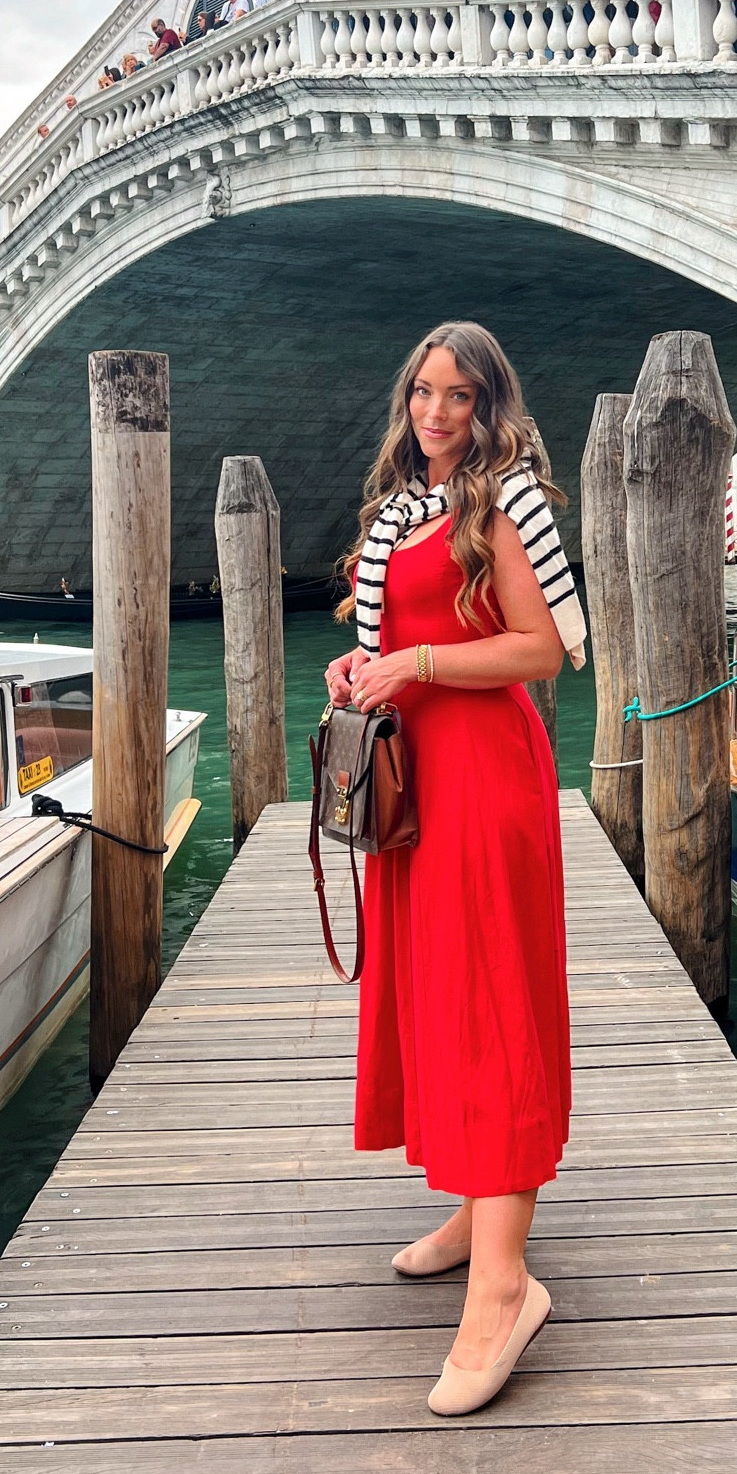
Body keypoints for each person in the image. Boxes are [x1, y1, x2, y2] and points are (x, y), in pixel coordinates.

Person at [324, 320, 580, 1416]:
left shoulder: (502, 499)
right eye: (422, 391)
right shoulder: (397, 509)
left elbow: (543, 647)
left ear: (488, 405)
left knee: (490, 1003)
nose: (434, 413)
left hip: (483, 777)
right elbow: (392, 637)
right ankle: (480, 1210)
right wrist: (360, 664)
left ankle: (505, 1285)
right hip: (415, 778)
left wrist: (418, 661)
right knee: (436, 994)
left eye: (457, 396)